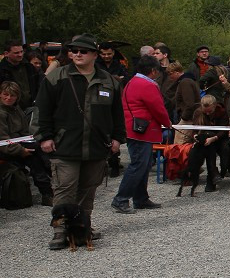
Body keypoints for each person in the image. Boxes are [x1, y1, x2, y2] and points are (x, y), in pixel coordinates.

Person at [35, 34, 125, 249]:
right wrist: (45, 136)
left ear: (94, 54)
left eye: (83, 51)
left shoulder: (109, 81)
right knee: (65, 189)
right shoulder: (56, 77)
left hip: (96, 146)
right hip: (65, 145)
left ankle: (83, 228)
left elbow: (117, 114)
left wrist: (117, 138)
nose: (77, 54)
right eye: (74, 50)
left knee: (88, 190)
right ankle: (60, 231)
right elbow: (42, 110)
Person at [111, 55, 173, 213]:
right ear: (153, 71)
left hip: (134, 128)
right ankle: (121, 199)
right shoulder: (147, 85)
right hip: (141, 130)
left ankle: (140, 198)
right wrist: (167, 123)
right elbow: (158, 108)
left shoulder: (133, 81)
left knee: (142, 165)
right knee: (139, 165)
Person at [0, 81, 52, 204]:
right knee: (35, 157)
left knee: (38, 149)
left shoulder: (16, 109)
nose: (8, 98)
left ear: (17, 97)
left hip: (18, 142)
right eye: (5, 94)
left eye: (12, 95)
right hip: (5, 147)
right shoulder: (1, 113)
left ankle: (49, 190)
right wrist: (21, 150)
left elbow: (24, 132)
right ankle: (48, 191)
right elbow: (2, 140)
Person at [0, 40, 41, 110]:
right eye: (16, 53)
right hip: (10, 110)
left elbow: (38, 85)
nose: (20, 55)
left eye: (22, 52)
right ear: (6, 53)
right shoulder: (1, 70)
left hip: (32, 107)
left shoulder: (29, 67)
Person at [168, 62, 200, 145]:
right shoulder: (187, 81)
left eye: (170, 74)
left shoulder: (185, 82)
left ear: (176, 72)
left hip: (188, 119)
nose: (170, 77)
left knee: (179, 144)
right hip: (189, 117)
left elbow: (189, 103)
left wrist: (184, 118)